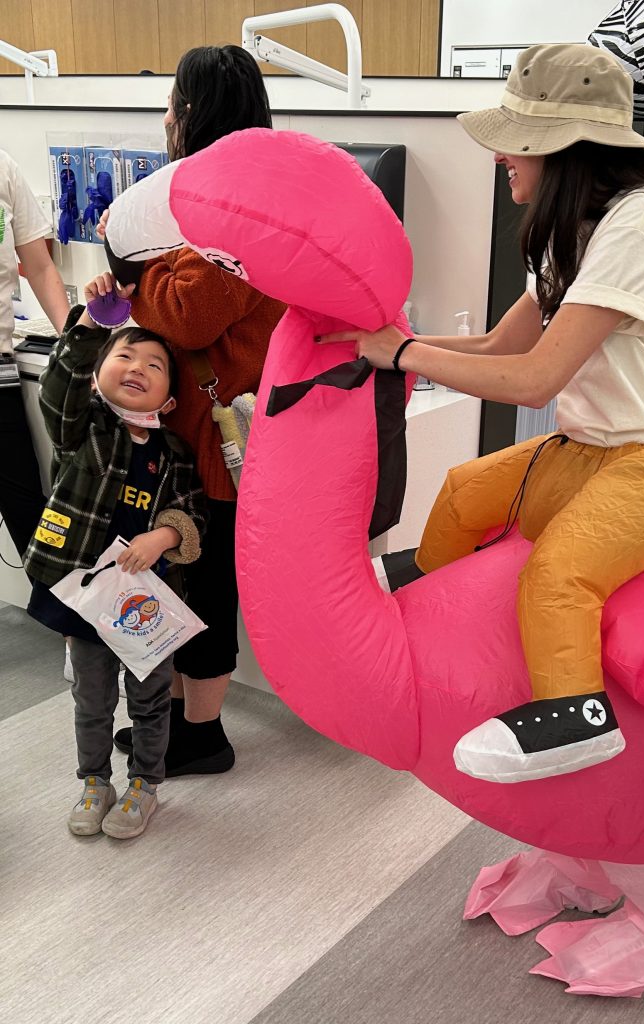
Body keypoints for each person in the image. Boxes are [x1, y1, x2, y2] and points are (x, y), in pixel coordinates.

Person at [320, 43, 644, 784]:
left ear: (566, 147)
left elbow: (532, 378)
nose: (500, 158)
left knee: (558, 576)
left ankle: (578, 716)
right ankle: (424, 588)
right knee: (464, 488)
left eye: (515, 142)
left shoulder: (641, 224)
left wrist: (403, 354)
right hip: (586, 450)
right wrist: (384, 345)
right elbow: (501, 344)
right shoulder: (575, 226)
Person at [101, 45, 286, 777]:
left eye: (174, 103)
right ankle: (177, 722)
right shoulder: (217, 198)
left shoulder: (237, 211)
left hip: (217, 442)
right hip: (188, 433)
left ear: (192, 112)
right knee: (176, 582)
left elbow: (186, 314)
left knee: (204, 591)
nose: (166, 118)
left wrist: (135, 264)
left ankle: (203, 737)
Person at [22, 272, 207, 839]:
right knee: (92, 699)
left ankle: (145, 785)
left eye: (154, 365)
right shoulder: (83, 428)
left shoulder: (174, 453)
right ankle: (94, 781)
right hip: (85, 597)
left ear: (168, 398)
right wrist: (91, 324)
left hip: (147, 602)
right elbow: (59, 389)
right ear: (99, 374)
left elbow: (192, 513)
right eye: (124, 356)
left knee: (151, 700)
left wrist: (164, 537)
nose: (137, 367)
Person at [0, 148, 70, 558]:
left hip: (0, 372)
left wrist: (74, 342)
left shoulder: (3, 167)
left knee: (30, 517)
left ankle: (56, 599)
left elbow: (40, 268)